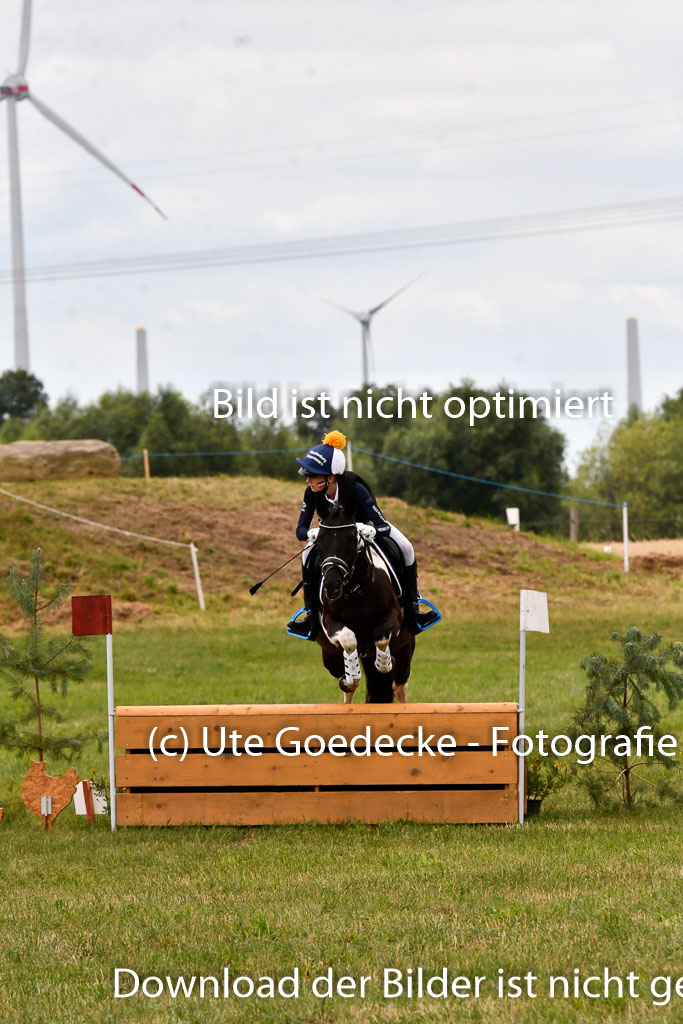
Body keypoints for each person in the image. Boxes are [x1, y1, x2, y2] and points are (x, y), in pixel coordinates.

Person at [287, 430, 440, 639]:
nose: (308, 481)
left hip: (367, 528)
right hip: (332, 534)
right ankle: (311, 615)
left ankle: (414, 609)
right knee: (306, 555)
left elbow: (382, 524)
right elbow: (300, 530)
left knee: (406, 547)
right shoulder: (311, 493)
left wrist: (371, 530)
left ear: (330, 478)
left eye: (312, 476)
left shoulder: (355, 488)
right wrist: (311, 533)